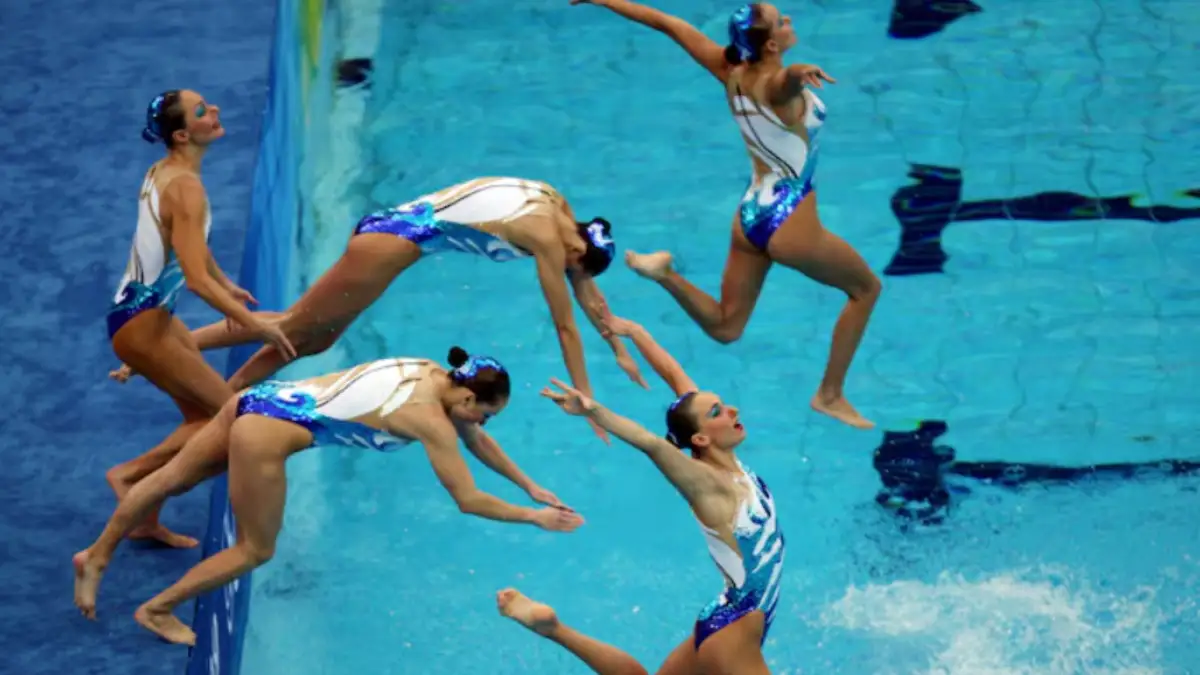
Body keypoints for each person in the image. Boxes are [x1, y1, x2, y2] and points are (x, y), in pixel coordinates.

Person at [73, 347, 583, 641]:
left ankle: (95, 556)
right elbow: (467, 500)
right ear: (469, 396)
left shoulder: (433, 372)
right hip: (264, 436)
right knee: (254, 550)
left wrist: (529, 485)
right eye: (486, 413)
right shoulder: (429, 420)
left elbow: (474, 437)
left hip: (256, 401)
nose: (483, 423)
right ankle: (157, 609)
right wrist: (533, 517)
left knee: (170, 479)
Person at [570, 0, 883, 429]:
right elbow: (784, 83)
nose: (789, 21)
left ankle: (666, 274)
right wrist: (798, 71)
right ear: (771, 44)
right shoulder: (776, 84)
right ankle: (830, 394)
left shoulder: (730, 71)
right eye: (782, 21)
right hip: (790, 221)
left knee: (726, 327)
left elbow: (667, 23)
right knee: (866, 289)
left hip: (751, 215)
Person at [148, 176, 647, 442]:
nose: (568, 273)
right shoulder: (546, 240)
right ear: (575, 250)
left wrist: (617, 347)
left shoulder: (558, 208)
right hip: (389, 246)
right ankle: (175, 354)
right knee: (294, 326)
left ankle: (222, 392)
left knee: (314, 338)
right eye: (571, 268)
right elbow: (564, 325)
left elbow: (586, 290)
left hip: (389, 236)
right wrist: (587, 399)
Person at [499, 316, 783, 674]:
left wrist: (637, 333)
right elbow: (650, 443)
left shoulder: (729, 464)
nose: (732, 411)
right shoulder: (707, 483)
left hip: (723, 615)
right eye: (718, 412)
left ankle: (554, 629)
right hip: (735, 636)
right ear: (701, 439)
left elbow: (676, 377)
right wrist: (593, 410)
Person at [105, 90, 295, 548]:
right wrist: (254, 325)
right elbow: (194, 281)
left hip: (146, 316)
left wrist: (225, 281)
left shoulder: (165, 171)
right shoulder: (186, 189)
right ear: (182, 135)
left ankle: (145, 512)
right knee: (231, 419)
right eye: (201, 111)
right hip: (143, 324)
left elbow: (188, 245)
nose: (215, 111)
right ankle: (130, 476)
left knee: (202, 419)